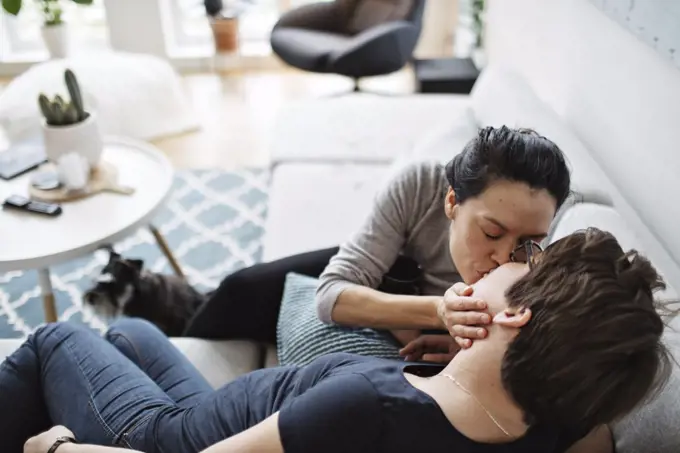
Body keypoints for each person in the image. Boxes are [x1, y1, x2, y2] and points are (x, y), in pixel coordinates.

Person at [6, 228, 673, 453]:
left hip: (182, 436)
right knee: (131, 330)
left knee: (57, 337)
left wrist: (62, 446)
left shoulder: (368, 403)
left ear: (516, 316)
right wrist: (480, 355)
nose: (498, 265)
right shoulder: (553, 422)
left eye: (517, 266)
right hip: (232, 407)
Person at [184, 126, 572, 361]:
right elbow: (330, 295)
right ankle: (166, 301)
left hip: (394, 310)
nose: (505, 257)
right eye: (491, 233)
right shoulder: (421, 186)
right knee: (237, 290)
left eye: (527, 242)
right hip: (392, 273)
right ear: (452, 200)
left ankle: (161, 296)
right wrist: (439, 311)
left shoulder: (550, 250)